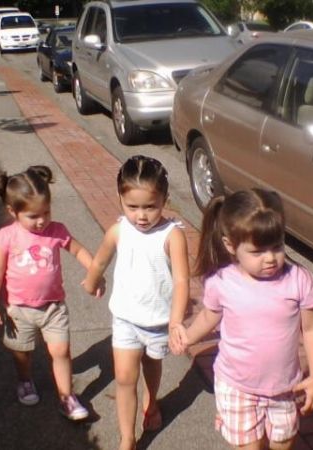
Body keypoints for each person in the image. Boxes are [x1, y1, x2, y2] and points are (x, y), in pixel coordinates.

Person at [172, 189, 313, 450]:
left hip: (284, 387)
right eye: (257, 251)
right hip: (236, 385)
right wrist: (187, 335)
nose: (270, 258)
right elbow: (209, 316)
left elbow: (311, 330)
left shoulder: (298, 280)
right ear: (230, 245)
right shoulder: (221, 283)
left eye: (276, 247)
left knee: (282, 443)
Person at [82, 155, 190, 450]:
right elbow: (101, 258)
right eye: (132, 207)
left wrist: (176, 320)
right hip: (126, 320)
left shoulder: (173, 235)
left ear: (165, 200)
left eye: (150, 207)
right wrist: (92, 280)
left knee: (152, 366)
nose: (141, 215)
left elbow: (182, 281)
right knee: (124, 378)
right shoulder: (118, 230)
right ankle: (127, 438)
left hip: (158, 322)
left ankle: (152, 401)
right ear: (120, 198)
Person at [0, 165, 101, 420]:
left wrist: (94, 271)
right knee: (22, 353)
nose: (42, 220)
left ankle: (66, 397)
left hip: (53, 307)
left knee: (60, 351)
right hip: (19, 310)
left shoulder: (56, 231)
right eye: (33, 216)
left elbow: (78, 251)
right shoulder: (7, 236)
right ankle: (25, 380)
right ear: (13, 211)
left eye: (46, 212)